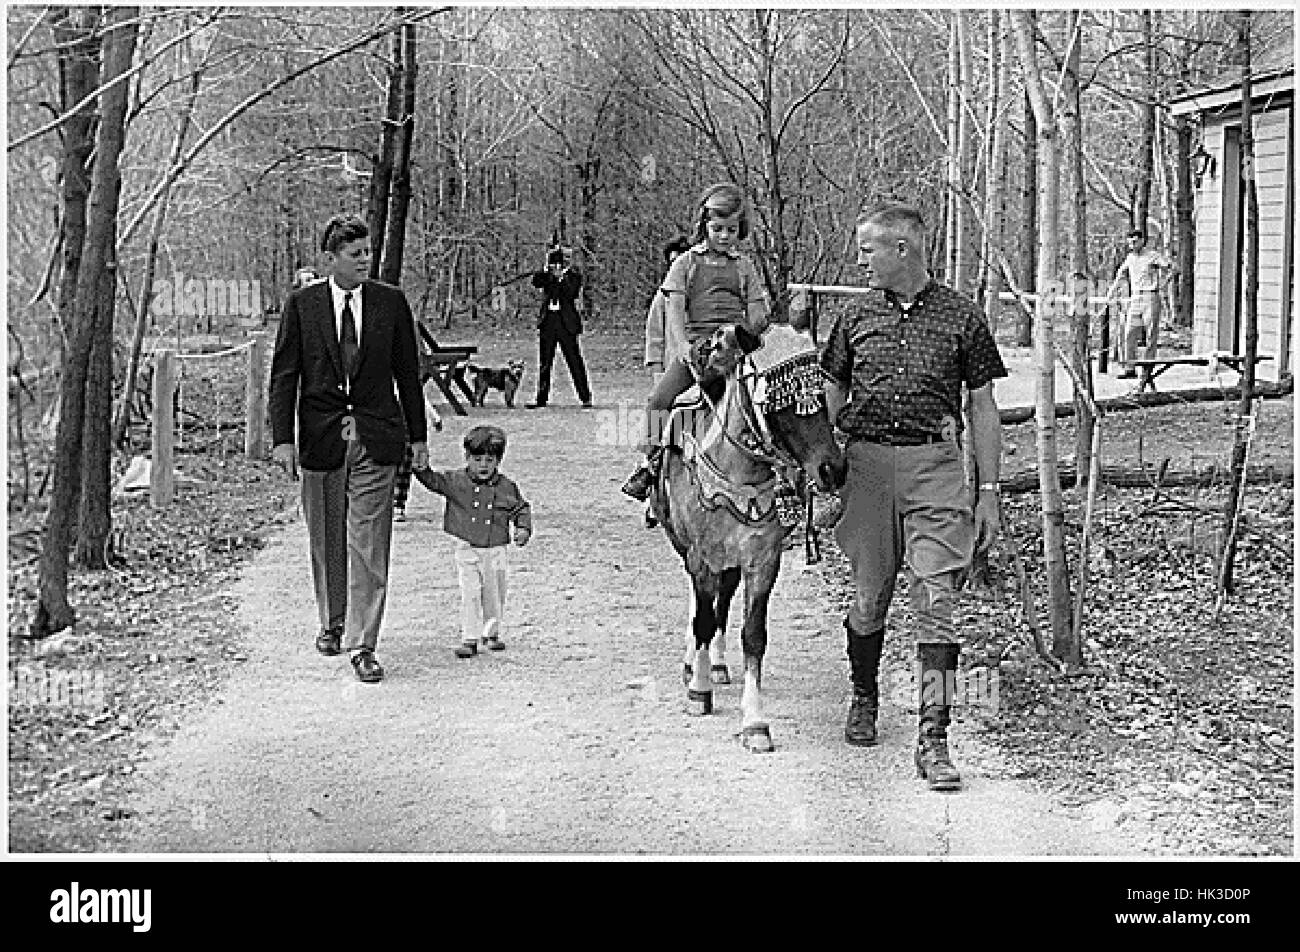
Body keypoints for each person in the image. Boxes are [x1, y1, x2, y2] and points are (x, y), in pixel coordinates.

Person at [820, 202, 1006, 792]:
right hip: (868, 469)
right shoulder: (853, 317)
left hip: (936, 468)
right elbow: (832, 389)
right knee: (870, 599)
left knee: (938, 604)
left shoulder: (962, 317)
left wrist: (989, 491)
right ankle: (865, 694)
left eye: (868, 248)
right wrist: (824, 465)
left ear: (902, 249)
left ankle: (934, 739)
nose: (860, 259)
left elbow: (982, 408)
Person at [268, 214, 428, 684]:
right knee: (326, 537)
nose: (365, 260)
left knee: (369, 542)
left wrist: (417, 439)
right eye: (355, 253)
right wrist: (283, 440)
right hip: (321, 437)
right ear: (330, 258)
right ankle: (333, 622)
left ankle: (363, 644)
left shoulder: (391, 303)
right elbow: (284, 377)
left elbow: (408, 376)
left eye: (368, 252)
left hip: (376, 438)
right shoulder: (303, 305)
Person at [621, 184, 770, 501]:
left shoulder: (743, 266)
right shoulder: (686, 263)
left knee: (768, 403)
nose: (724, 236)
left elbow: (757, 309)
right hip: (698, 348)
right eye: (717, 229)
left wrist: (753, 324)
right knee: (659, 400)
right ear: (704, 226)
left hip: (735, 348)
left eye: (731, 230)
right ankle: (648, 462)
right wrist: (682, 347)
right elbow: (673, 310)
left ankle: (783, 474)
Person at [413, 425, 532, 659]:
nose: (484, 465)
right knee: (471, 593)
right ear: (467, 457)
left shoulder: (507, 486)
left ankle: (492, 633)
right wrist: (420, 468)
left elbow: (520, 508)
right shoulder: (456, 481)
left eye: (490, 459)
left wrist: (523, 528)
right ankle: (470, 637)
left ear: (498, 460)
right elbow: (433, 481)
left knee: (494, 593)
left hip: (496, 549)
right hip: (467, 547)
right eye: (477, 459)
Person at [640, 235, 692, 527]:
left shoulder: (703, 294)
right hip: (672, 369)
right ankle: (648, 474)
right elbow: (654, 336)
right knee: (658, 415)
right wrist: (658, 372)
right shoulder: (663, 297)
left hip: (700, 367)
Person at [526, 248, 593, 409]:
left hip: (566, 324)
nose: (556, 267)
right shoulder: (547, 275)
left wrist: (561, 278)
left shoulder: (573, 276)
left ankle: (585, 397)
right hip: (548, 323)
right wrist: (545, 269)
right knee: (545, 363)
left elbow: (572, 293)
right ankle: (541, 398)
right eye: (553, 264)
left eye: (558, 264)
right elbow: (536, 282)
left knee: (574, 361)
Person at [1106, 228, 1173, 379]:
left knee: (1151, 334)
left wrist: (1163, 284)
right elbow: (1120, 274)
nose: (1132, 245)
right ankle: (1130, 367)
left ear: (1142, 241)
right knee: (1130, 332)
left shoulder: (1152, 256)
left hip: (1150, 297)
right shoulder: (1130, 258)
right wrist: (1112, 290)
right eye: (1130, 242)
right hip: (1136, 297)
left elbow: (1171, 268)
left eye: (1135, 241)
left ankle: (1148, 369)